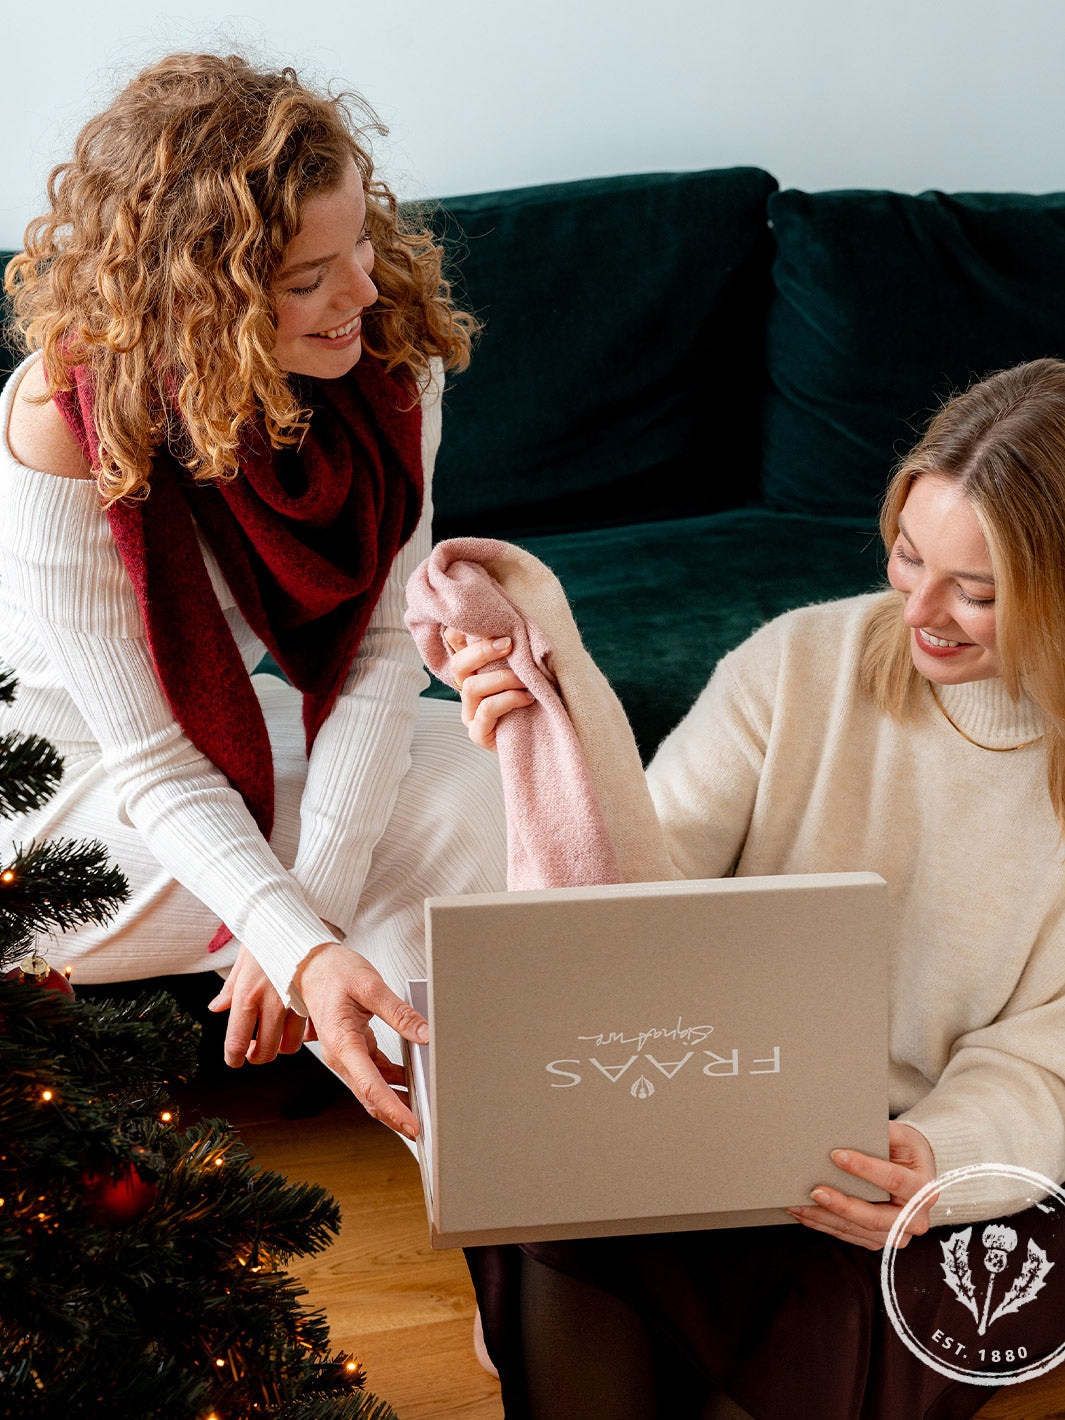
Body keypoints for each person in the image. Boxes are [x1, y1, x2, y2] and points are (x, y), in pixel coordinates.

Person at [446, 358, 1065, 1418]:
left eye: (979, 588)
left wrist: (939, 1161)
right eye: (908, 555)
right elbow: (641, 896)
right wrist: (554, 752)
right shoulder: (800, 662)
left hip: (966, 1166)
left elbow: (1049, 1051)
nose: (921, 609)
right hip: (733, 1106)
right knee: (565, 1223)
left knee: (818, 1322)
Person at [0, 51, 507, 1137]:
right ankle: (466, 1155)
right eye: (306, 276)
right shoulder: (61, 414)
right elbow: (143, 752)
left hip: (201, 723)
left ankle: (500, 1210)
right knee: (409, 842)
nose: (362, 291)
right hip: (43, 776)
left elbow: (382, 648)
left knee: (480, 788)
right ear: (200, 295)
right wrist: (296, 940)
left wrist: (308, 919)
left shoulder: (392, 359)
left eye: (361, 241)